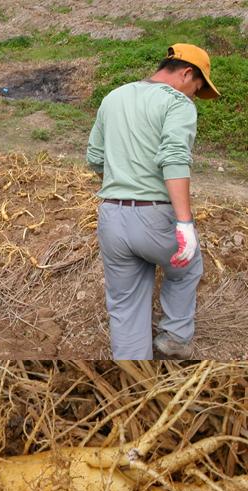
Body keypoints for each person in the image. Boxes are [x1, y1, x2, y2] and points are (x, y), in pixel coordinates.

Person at [86, 43, 219, 360]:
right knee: (186, 267)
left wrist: (124, 177)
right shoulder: (177, 104)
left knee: (125, 305)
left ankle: (131, 376)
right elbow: (174, 158)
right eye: (196, 89)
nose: (192, 97)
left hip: (111, 219)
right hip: (155, 218)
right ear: (187, 73)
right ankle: (174, 337)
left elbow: (94, 158)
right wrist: (185, 223)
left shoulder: (114, 97)